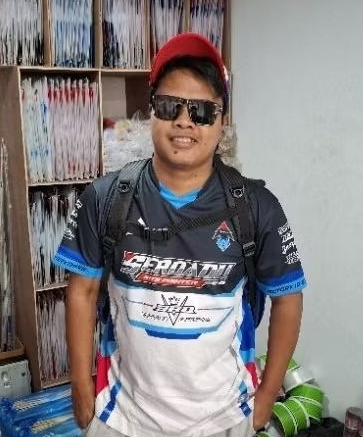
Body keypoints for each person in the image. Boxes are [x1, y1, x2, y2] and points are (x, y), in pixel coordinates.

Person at [53, 32, 306, 437]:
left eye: (202, 111)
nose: (185, 121)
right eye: (170, 106)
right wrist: (82, 394)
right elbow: (81, 293)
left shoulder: (257, 207)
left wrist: (264, 402)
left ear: (222, 121)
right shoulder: (104, 198)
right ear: (151, 111)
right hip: (122, 418)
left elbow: (288, 299)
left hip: (225, 419)